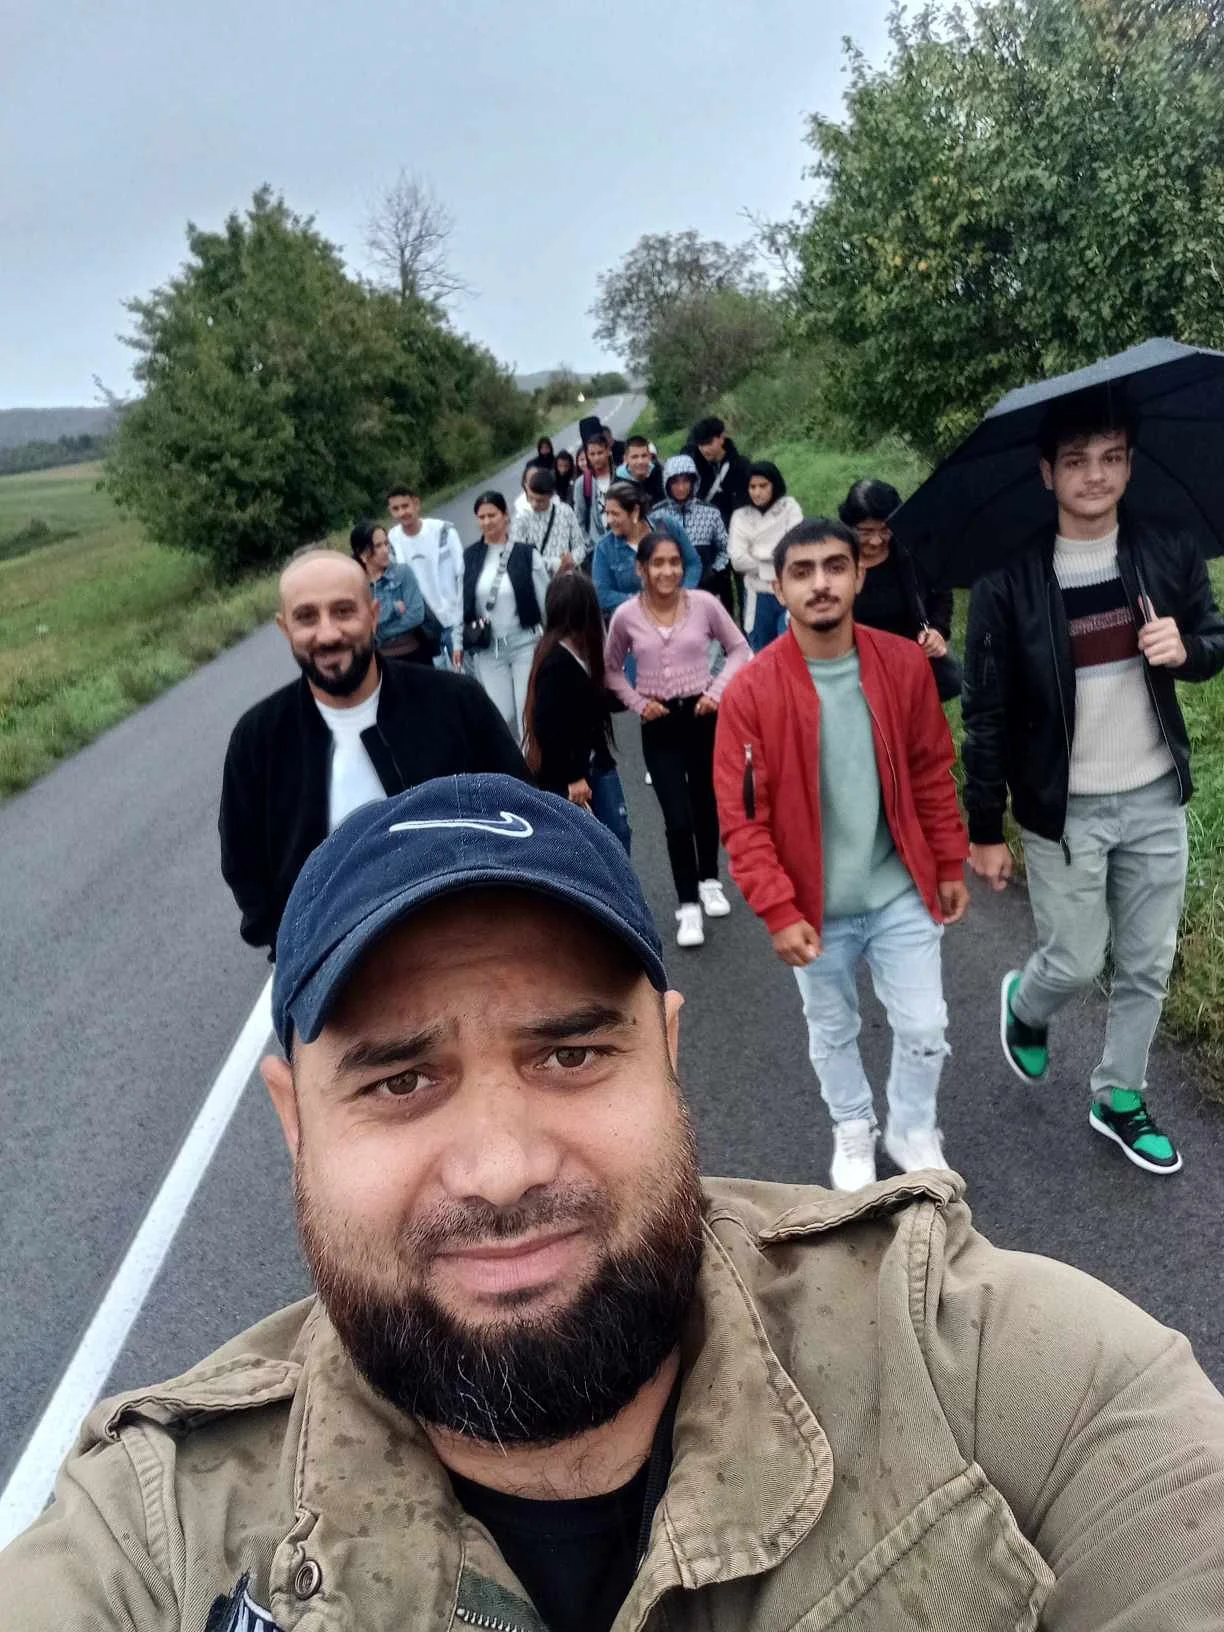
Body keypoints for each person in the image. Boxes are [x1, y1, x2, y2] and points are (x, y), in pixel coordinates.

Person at [10, 772, 1224, 1632]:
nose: (500, 1169)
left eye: (572, 1053)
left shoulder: (999, 1373)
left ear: (668, 1054)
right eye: (399, 1080)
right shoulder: (153, 1534)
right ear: (293, 1120)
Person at [964, 391, 1224, 1176]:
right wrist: (985, 827)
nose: (1095, 475)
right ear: (1047, 473)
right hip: (1062, 805)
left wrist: (1188, 649)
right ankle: (1027, 1004)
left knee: (1147, 962)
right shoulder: (1008, 582)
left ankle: (1118, 1095)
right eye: (1076, 461)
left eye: (1111, 458)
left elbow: (1213, 637)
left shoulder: (1166, 552)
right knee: (1076, 959)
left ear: (1130, 465)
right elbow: (985, 711)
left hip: (1154, 793)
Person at [714, 517, 970, 1188]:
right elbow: (743, 820)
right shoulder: (750, 692)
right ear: (778, 587)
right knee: (831, 1028)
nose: (820, 584)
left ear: (859, 575)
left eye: (834, 567)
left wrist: (948, 861)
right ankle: (853, 1125)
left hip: (898, 888)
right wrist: (777, 909)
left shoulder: (903, 665)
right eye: (802, 572)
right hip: (813, 904)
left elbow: (931, 770)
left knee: (925, 1025)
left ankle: (912, 1125)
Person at [218, 551, 528, 953]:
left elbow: (522, 812)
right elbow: (243, 863)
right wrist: (288, 941)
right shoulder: (258, 739)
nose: (327, 635)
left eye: (343, 611)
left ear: (373, 614)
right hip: (329, 966)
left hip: (463, 952)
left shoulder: (455, 704)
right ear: (284, 627)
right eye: (306, 617)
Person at [606, 532, 750, 947]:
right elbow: (611, 668)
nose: (667, 571)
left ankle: (709, 881)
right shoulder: (626, 616)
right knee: (677, 816)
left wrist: (716, 691)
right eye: (658, 563)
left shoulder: (704, 604)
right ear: (641, 569)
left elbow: (739, 649)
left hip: (703, 716)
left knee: (705, 803)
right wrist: (638, 702)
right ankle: (687, 906)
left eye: (674, 562)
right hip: (660, 724)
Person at [523, 570, 631, 852]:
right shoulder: (556, 661)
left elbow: (598, 702)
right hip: (571, 775)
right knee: (599, 843)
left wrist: (637, 696)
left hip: (596, 761)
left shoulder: (582, 652)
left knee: (616, 833)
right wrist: (573, 776)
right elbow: (548, 725)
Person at [839, 478, 961, 702]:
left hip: (911, 663)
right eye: (865, 532)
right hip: (858, 669)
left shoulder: (911, 552)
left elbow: (941, 592)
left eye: (886, 529)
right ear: (849, 525)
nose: (876, 541)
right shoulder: (836, 560)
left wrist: (937, 629)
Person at [457, 490, 550, 743]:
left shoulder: (526, 554)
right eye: (481, 517)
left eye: (492, 515)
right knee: (500, 715)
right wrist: (457, 643)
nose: (487, 522)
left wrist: (552, 639)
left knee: (526, 713)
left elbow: (545, 601)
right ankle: (512, 761)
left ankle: (530, 763)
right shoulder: (469, 557)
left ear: (505, 515)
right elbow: (459, 604)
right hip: (488, 650)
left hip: (525, 645)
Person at [592, 480, 700, 618]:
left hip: (677, 613)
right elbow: (602, 594)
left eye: (615, 514)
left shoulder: (666, 526)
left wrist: (682, 595)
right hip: (633, 620)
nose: (609, 520)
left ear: (635, 511)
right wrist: (645, 602)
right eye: (607, 513)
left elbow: (693, 563)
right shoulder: (604, 547)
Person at [728, 460, 804, 651]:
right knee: (761, 652)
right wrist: (775, 560)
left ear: (774, 485)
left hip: (788, 591)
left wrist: (757, 555)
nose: (757, 492)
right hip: (757, 594)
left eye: (763, 486)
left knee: (790, 648)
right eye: (752, 487)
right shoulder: (740, 516)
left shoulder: (789, 507)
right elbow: (737, 561)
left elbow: (795, 550)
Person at [386, 483, 465, 666]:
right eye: (396, 509)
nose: (402, 513)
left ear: (416, 504)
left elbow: (462, 573)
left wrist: (463, 614)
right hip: (422, 627)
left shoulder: (443, 531)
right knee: (437, 678)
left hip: (453, 618)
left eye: (405, 506)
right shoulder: (392, 540)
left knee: (463, 673)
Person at [650, 452, 733, 613]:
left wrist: (715, 570)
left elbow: (725, 548)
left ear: (694, 482)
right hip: (669, 590)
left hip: (707, 589)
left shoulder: (710, 513)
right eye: (675, 482)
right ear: (667, 483)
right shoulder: (656, 515)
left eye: (686, 481)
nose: (681, 488)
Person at [349, 518, 436, 664]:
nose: (385, 550)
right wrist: (395, 608)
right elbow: (360, 627)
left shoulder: (402, 572)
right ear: (362, 553)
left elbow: (416, 615)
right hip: (381, 660)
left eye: (386, 543)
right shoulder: (356, 586)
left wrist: (379, 633)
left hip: (415, 653)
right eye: (378, 546)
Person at [514, 464, 588, 572]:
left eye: (540, 501)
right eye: (531, 498)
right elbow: (519, 556)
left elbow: (580, 545)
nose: (534, 504)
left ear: (551, 495)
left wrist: (572, 559)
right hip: (539, 578)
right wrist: (556, 564)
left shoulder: (565, 511)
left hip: (567, 575)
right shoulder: (522, 519)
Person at [683, 414, 752, 527]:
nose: (704, 449)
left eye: (709, 443)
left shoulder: (740, 466)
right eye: (700, 445)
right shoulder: (692, 467)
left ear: (721, 438)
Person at [615, 433, 665, 506]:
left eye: (644, 456)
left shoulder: (658, 472)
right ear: (626, 459)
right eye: (634, 457)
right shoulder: (618, 482)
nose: (640, 461)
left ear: (649, 457)